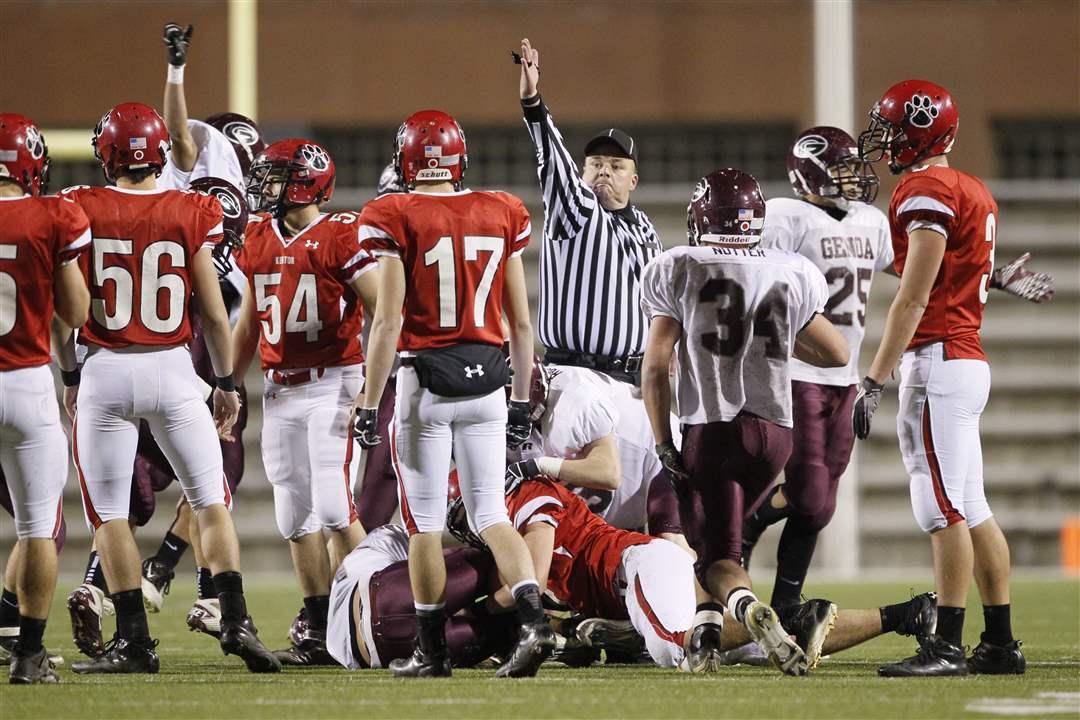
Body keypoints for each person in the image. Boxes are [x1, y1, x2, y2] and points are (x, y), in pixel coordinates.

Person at [61, 102, 279, 674]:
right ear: (160, 154)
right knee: (211, 500)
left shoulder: (80, 206)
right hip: (175, 369)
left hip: (108, 368)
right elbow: (212, 312)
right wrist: (227, 383)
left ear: (106, 154)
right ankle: (234, 620)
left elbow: (68, 310)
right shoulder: (193, 208)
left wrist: (69, 374)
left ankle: (135, 642)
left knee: (109, 515)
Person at [354, 109, 555, 678]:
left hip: (426, 381)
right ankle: (535, 621)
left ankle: (432, 651)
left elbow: (388, 322)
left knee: (422, 522)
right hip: (490, 380)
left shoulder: (393, 211)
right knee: (493, 512)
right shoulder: (500, 210)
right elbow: (521, 324)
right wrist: (520, 398)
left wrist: (369, 403)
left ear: (406, 161)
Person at [854, 80, 1041, 676]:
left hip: (938, 361)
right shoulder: (971, 188)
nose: (882, 141)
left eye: (890, 129)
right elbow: (958, 277)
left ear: (917, 131)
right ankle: (1000, 643)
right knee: (971, 505)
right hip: (964, 360)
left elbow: (913, 299)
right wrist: (993, 282)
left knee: (940, 509)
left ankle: (946, 646)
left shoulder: (926, 190)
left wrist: (874, 378)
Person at [640, 168, 850, 675]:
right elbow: (837, 353)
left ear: (702, 216)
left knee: (718, 560)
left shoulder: (680, 265)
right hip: (776, 434)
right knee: (710, 544)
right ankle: (706, 640)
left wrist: (664, 442)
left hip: (713, 430)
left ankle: (755, 613)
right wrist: (773, 339)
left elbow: (653, 366)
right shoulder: (790, 268)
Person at [232, 138, 374, 665]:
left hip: (333, 381)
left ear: (304, 182)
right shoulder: (257, 237)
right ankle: (319, 630)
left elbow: (385, 310)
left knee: (336, 509)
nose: (264, 187)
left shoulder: (340, 234)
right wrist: (227, 382)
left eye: (275, 177)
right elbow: (249, 320)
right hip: (279, 388)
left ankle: (376, 618)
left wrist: (370, 388)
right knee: (294, 516)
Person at [739, 127, 893, 608]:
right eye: (842, 168)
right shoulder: (788, 216)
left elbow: (915, 269)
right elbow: (744, 273)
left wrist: (986, 276)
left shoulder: (871, 220)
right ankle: (741, 526)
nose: (853, 178)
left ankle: (786, 604)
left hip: (845, 382)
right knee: (809, 496)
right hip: (798, 373)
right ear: (810, 172)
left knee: (819, 508)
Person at [0, 114, 91, 683]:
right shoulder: (50, 217)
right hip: (26, 380)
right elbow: (77, 312)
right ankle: (29, 655)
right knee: (37, 525)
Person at [516, 38, 662, 385]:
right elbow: (553, 158)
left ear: (634, 180)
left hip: (634, 380)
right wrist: (533, 104)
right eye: (595, 163)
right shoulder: (578, 212)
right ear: (583, 173)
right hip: (577, 376)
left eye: (616, 165)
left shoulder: (645, 227)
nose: (604, 170)